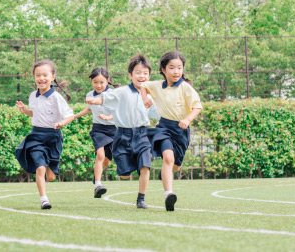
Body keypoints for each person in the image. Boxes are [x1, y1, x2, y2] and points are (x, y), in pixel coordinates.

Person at [86, 54, 159, 209]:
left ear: (149, 76)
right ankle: (125, 170)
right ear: (130, 75)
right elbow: (104, 98)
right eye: (138, 72)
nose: (142, 76)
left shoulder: (152, 94)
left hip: (142, 134)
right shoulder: (122, 92)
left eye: (145, 73)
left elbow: (158, 113)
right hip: (123, 135)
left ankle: (141, 199)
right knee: (124, 175)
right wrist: (95, 100)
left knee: (145, 166)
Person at [140, 51, 202, 211]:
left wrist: (187, 120)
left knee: (176, 165)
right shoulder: (157, 86)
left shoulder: (185, 88)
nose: (176, 71)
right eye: (172, 68)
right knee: (168, 158)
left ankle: (166, 173)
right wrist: (145, 98)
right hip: (164, 127)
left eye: (179, 68)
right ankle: (169, 194)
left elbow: (197, 107)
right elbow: (143, 86)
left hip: (181, 130)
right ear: (163, 69)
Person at [16, 59, 74, 210]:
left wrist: (62, 123)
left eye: (44, 75)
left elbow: (70, 116)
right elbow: (35, 113)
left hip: (53, 137)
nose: (41, 78)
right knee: (40, 168)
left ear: (52, 77)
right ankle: (44, 199)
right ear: (34, 78)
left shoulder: (56, 98)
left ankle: (48, 164)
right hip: (36, 136)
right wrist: (25, 111)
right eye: (37, 75)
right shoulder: (32, 96)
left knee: (51, 177)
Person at [73, 67, 116, 198]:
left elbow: (120, 112)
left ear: (107, 81)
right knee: (100, 155)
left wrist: (109, 117)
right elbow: (89, 109)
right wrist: (73, 116)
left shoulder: (113, 94)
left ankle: (97, 174)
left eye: (102, 82)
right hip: (99, 129)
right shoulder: (89, 95)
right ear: (91, 82)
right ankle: (98, 184)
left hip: (114, 130)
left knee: (107, 162)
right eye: (95, 82)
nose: (98, 85)